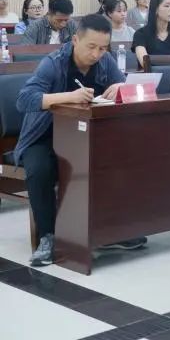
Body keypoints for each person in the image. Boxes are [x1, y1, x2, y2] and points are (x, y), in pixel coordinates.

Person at [15, 15, 135, 266]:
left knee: (119, 159)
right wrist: (69, 96)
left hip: (85, 135)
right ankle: (48, 237)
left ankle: (108, 231)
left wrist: (121, 88)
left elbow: (125, 88)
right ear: (75, 40)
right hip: (44, 135)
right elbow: (25, 100)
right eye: (91, 47)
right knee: (39, 169)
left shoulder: (105, 61)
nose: (96, 54)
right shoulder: (54, 63)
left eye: (102, 48)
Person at [131, 0, 170, 66]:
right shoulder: (141, 34)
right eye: (167, 6)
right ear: (155, 9)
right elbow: (144, 62)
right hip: (151, 73)